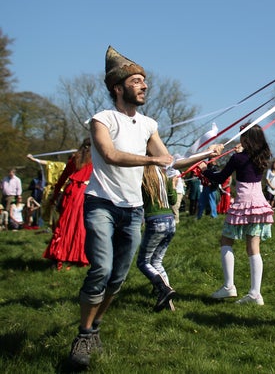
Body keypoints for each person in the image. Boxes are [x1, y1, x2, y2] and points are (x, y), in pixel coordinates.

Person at [67, 46, 218, 369]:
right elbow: (109, 155)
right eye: (136, 81)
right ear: (118, 88)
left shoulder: (149, 124)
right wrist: (152, 159)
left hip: (133, 209)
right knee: (101, 270)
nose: (144, 86)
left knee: (118, 279)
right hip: (101, 205)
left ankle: (94, 327)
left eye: (144, 81)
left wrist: (206, 154)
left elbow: (170, 161)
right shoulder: (101, 119)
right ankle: (83, 332)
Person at [202, 124, 275, 305]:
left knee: (226, 241)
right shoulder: (263, 157)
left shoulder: (237, 158)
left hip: (242, 204)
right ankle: (255, 294)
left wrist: (205, 169)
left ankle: (229, 286)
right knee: (253, 248)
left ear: (246, 139)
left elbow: (220, 177)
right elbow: (248, 160)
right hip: (259, 205)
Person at [43, 139, 93, 270]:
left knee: (64, 225)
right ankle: (77, 257)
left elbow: (62, 178)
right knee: (80, 226)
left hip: (70, 192)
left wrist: (54, 197)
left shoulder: (74, 159)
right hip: (84, 193)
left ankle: (58, 255)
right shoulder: (95, 161)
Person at [136, 164, 179, 312]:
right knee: (156, 261)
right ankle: (168, 300)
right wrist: (172, 185)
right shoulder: (164, 176)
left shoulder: (141, 178)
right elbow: (173, 200)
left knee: (143, 262)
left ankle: (163, 289)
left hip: (155, 222)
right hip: (170, 221)